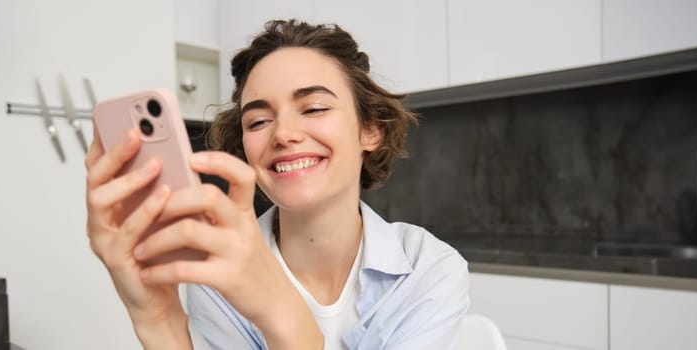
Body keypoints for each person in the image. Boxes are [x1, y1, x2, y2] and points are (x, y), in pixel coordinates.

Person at [85, 19, 469, 349]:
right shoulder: (218, 269)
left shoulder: (428, 270)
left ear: (371, 130)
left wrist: (282, 316)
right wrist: (156, 317)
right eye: (257, 122)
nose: (283, 134)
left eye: (314, 108)